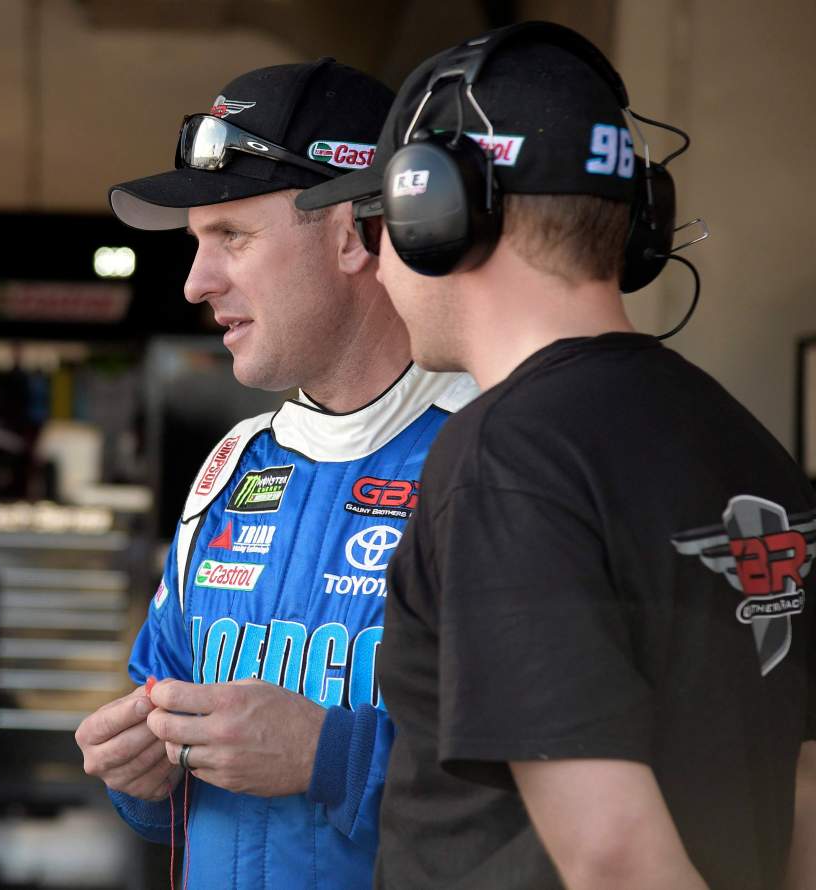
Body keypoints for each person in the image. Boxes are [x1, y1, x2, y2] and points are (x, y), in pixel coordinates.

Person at [297, 22, 816, 890]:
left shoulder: (505, 457)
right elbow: (802, 796)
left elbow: (614, 857)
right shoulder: (749, 443)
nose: (379, 264)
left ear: (437, 213)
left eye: (384, 220)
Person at [73, 59, 477, 886]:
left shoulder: (497, 459)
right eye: (196, 243)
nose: (195, 282)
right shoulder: (230, 467)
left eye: (233, 237)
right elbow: (167, 731)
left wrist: (335, 757)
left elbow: (584, 785)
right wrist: (141, 775)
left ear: (353, 233)